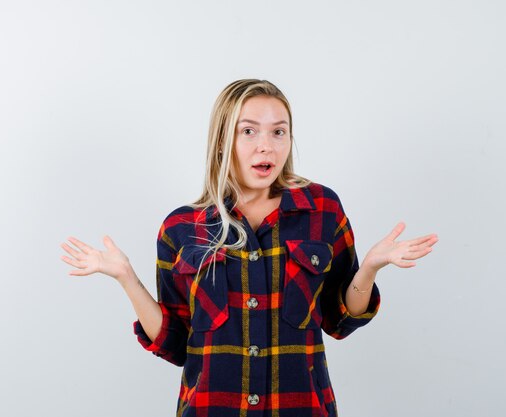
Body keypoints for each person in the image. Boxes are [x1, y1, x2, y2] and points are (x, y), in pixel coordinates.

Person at [60, 79, 438, 417]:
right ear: (224, 140)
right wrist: (126, 278)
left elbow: (339, 320)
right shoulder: (182, 228)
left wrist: (369, 268)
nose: (266, 146)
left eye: (279, 132)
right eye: (249, 131)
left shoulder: (321, 208)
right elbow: (176, 344)